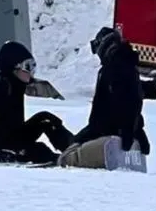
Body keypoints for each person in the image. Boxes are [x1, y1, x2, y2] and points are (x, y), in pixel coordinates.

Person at [58, 27, 151, 168]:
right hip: (107, 130)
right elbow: (132, 101)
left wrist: (128, 129)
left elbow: (128, 102)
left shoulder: (116, 68)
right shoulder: (124, 66)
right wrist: (136, 127)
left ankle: (67, 159)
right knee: (75, 143)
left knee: (67, 157)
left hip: (107, 132)